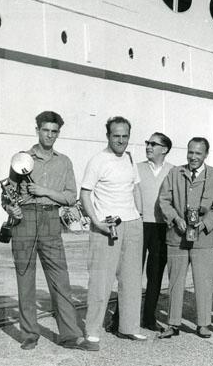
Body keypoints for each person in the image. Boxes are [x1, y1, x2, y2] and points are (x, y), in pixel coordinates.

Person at [2, 111, 96, 351]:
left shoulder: (64, 162)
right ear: (37, 131)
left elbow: (70, 197)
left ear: (58, 133)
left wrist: (44, 191)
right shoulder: (21, 159)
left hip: (51, 220)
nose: (50, 135)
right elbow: (7, 196)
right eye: (46, 130)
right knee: (25, 279)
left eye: (54, 131)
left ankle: (70, 335)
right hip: (24, 221)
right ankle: (29, 335)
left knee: (60, 280)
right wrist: (11, 209)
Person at [80, 116, 146, 348]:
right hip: (107, 227)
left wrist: (139, 215)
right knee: (101, 280)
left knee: (131, 280)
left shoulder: (130, 158)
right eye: (116, 135)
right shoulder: (98, 160)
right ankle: (92, 330)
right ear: (107, 135)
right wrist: (97, 222)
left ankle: (129, 327)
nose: (121, 140)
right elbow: (85, 194)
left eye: (125, 136)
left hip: (132, 224)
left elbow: (135, 188)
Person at [157, 137, 213, 339]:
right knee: (175, 281)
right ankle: (173, 323)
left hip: (204, 239)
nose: (193, 157)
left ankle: (203, 324)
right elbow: (164, 200)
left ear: (206, 154)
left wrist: (205, 223)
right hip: (177, 238)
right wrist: (176, 219)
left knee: (203, 282)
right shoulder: (175, 173)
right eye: (190, 152)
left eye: (198, 153)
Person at [138, 132, 174, 330]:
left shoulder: (173, 171)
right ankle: (119, 318)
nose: (148, 146)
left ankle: (149, 318)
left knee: (155, 275)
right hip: (139, 225)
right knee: (131, 273)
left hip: (162, 228)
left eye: (153, 144)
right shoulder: (137, 169)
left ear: (164, 149)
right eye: (147, 142)